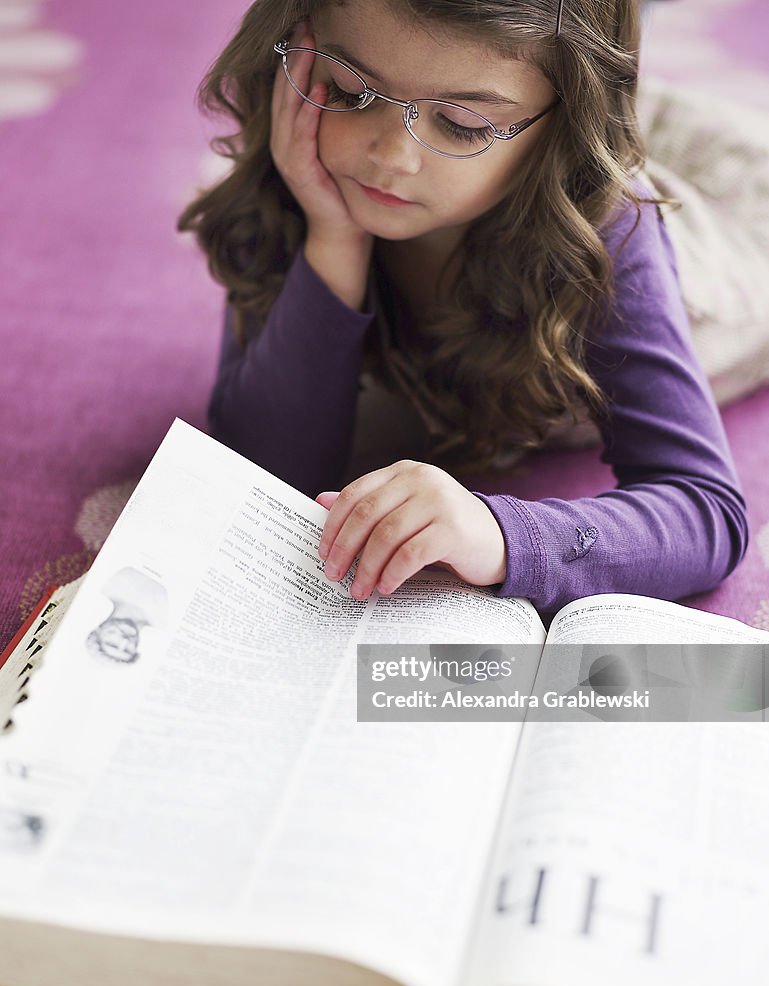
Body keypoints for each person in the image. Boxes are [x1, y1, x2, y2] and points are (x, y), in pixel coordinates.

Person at [178, 0, 748, 617]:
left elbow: (707, 513)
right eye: (350, 91)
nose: (390, 158)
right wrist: (332, 238)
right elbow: (262, 466)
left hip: (731, 233)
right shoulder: (300, 169)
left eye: (461, 123)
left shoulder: (615, 234)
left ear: (557, 131)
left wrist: (500, 534)